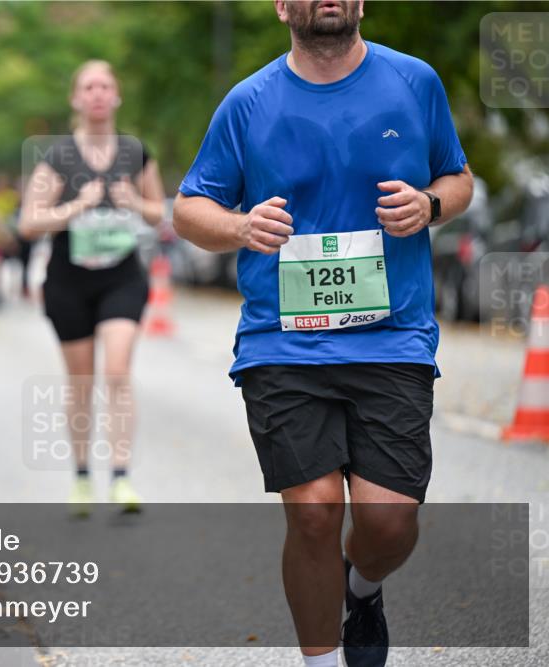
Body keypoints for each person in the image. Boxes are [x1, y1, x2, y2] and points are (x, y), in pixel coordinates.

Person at [173, 2, 473, 666]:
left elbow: (459, 177)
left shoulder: (413, 82)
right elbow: (189, 207)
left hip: (391, 337)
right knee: (311, 513)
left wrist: (429, 205)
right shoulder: (248, 102)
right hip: (280, 340)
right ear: (283, 6)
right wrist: (239, 227)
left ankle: (361, 588)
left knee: (388, 521)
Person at [19, 60, 165, 516]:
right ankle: (82, 476)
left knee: (117, 373)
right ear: (76, 99)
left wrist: (134, 202)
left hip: (122, 276)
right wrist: (74, 206)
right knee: (81, 383)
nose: (98, 94)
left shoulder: (135, 152)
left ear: (117, 96)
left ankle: (120, 476)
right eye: (89, 87)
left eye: (106, 86)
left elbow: (159, 212)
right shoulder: (58, 157)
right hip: (68, 280)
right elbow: (27, 222)